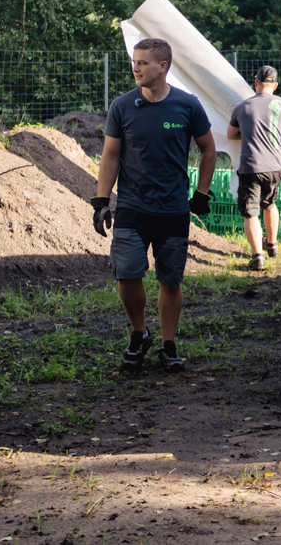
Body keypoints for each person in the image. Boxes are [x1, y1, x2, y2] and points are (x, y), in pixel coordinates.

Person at [91, 37, 216, 373]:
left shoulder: (187, 105)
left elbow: (209, 149)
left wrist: (201, 194)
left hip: (173, 208)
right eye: (134, 61)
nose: (136, 67)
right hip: (132, 207)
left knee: (170, 280)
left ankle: (168, 344)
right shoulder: (122, 106)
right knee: (127, 273)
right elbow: (111, 155)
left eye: (143, 62)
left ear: (163, 67)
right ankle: (139, 333)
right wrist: (101, 199)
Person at [227, 65, 281, 271]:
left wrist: (248, 134)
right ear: (276, 85)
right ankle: (272, 245)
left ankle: (257, 257)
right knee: (269, 204)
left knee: (250, 213)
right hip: (275, 167)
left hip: (250, 167)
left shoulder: (242, 107)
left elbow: (230, 135)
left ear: (256, 83)